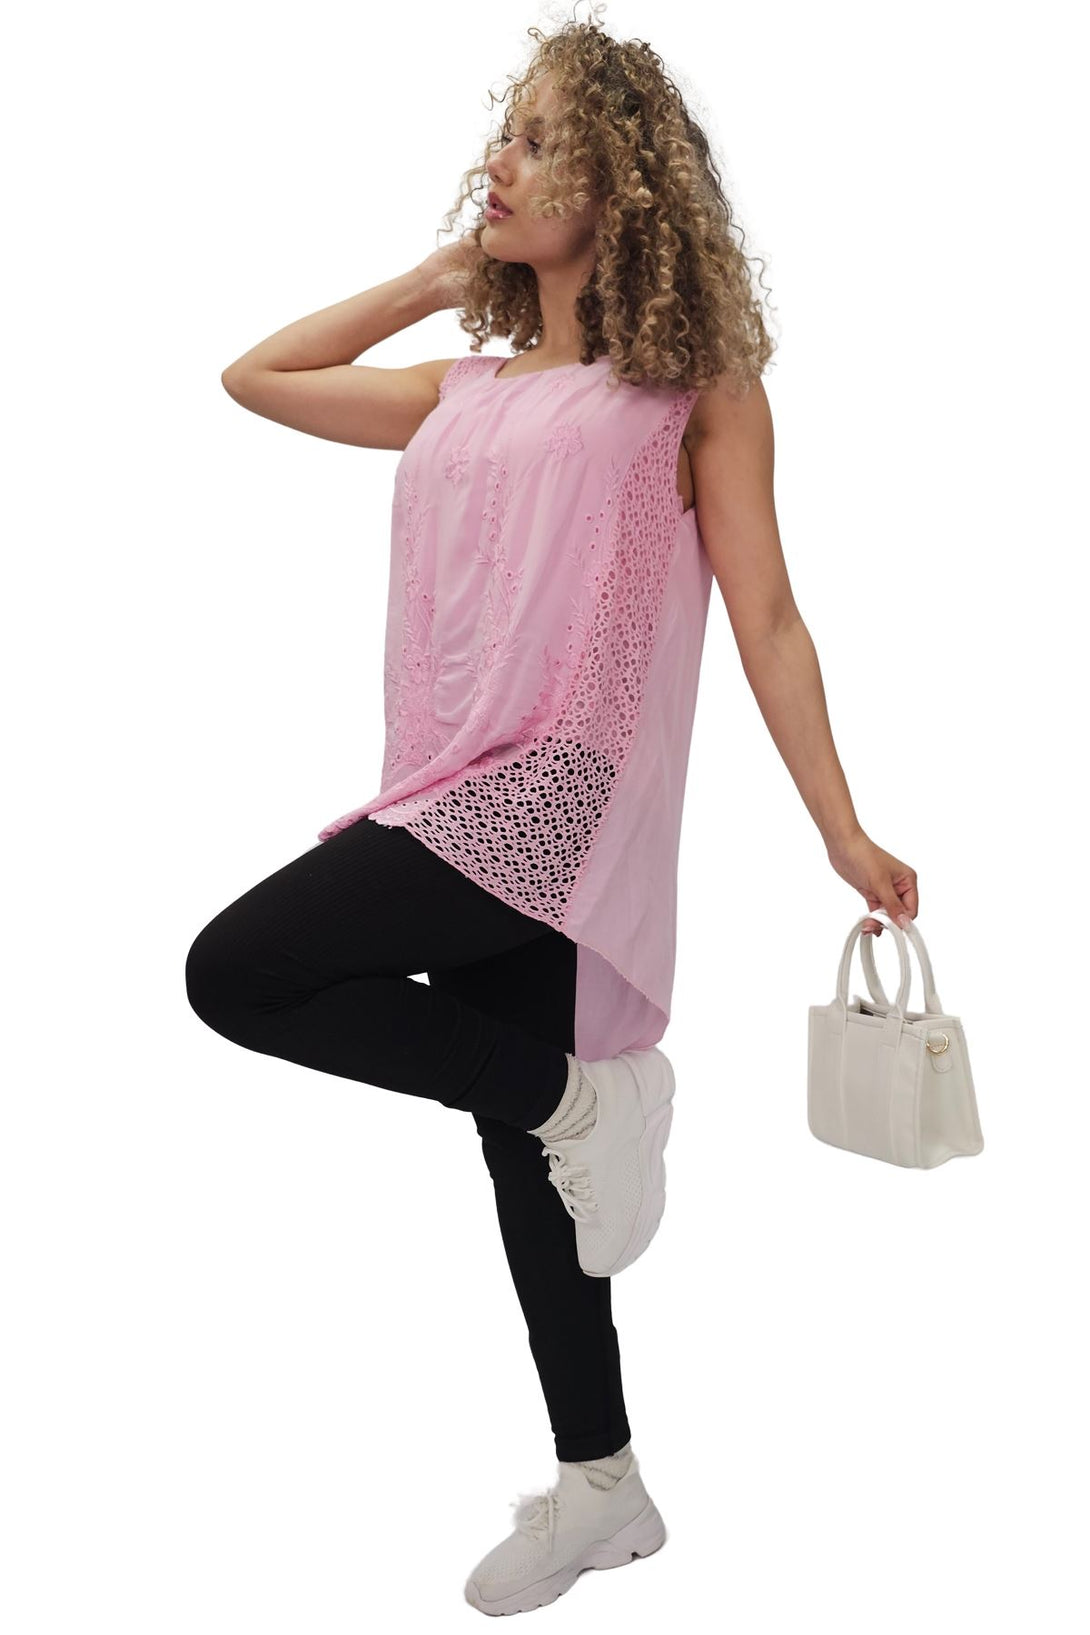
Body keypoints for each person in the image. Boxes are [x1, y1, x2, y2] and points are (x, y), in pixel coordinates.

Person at [186, 17, 920, 1618]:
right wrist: (436, 278)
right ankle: (604, 1482)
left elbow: (767, 614)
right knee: (523, 1149)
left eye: (538, 140)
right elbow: (257, 378)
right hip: (441, 778)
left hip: (554, 790)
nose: (499, 161)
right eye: (501, 132)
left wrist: (838, 829)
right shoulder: (463, 388)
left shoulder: (690, 394)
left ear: (625, 181)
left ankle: (588, 1101)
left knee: (236, 973)